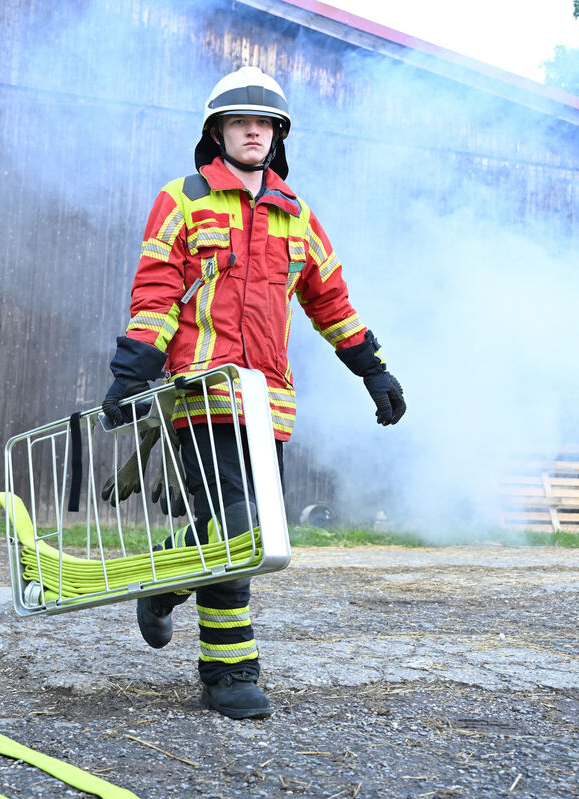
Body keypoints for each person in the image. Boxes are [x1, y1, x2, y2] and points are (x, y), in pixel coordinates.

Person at [101, 66, 406, 720]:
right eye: (240, 121)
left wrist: (372, 369)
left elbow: (331, 301)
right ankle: (229, 673)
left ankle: (166, 581)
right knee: (240, 529)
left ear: (277, 135)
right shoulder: (183, 200)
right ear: (217, 132)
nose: (253, 132)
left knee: (254, 530)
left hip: (267, 405)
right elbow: (156, 293)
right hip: (201, 396)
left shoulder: (296, 216)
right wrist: (132, 370)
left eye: (264, 123)